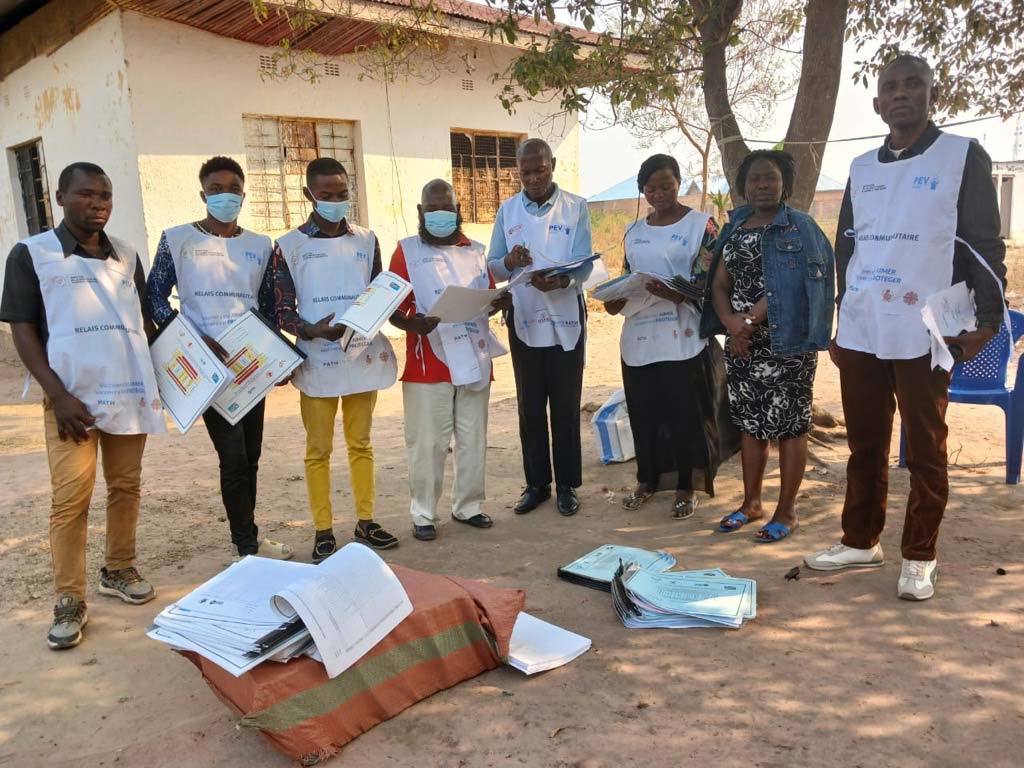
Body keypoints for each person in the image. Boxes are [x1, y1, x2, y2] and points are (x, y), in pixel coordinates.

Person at [804, 55, 1008, 600]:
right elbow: (847, 247)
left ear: (930, 95)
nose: (900, 94)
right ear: (877, 104)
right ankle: (859, 539)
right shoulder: (862, 168)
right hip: (865, 325)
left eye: (912, 84)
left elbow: (984, 243)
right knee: (865, 442)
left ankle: (920, 554)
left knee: (925, 446)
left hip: (926, 326)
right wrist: (841, 319)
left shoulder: (961, 157)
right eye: (890, 87)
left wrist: (988, 318)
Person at [1, 162, 165, 650]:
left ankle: (118, 568)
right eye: (87, 195)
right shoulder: (32, 254)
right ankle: (68, 598)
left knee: (126, 487)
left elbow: (143, 324)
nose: (99, 204)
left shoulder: (127, 256)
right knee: (71, 500)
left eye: (106, 196)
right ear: (60, 198)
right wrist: (58, 395)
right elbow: (23, 329)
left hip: (127, 394)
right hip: (71, 402)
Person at [147, 156, 292, 561]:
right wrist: (190, 340)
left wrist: (275, 357)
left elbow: (267, 306)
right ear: (202, 194)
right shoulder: (177, 240)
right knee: (233, 457)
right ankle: (245, 546)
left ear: (243, 194)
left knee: (253, 455)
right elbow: (154, 296)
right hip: (206, 368)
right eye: (215, 189)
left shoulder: (261, 246)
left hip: (249, 367)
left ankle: (248, 536)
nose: (224, 196)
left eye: (232, 189)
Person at [702, 150, 835, 542]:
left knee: (791, 427)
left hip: (787, 344)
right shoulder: (736, 228)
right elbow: (719, 283)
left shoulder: (801, 228)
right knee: (751, 425)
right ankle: (751, 503)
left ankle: (787, 511)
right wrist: (730, 323)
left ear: (784, 185)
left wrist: (747, 322)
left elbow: (801, 285)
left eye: (770, 178)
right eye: (755, 179)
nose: (762, 185)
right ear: (743, 186)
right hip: (743, 345)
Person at [272, 157, 399, 560]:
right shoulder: (289, 246)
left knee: (361, 443)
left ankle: (366, 520)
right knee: (318, 450)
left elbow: (379, 292)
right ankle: (323, 529)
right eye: (326, 195)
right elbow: (281, 309)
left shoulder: (366, 240)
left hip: (360, 355)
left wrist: (381, 318)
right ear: (309, 195)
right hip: (318, 360)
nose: (335, 201)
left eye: (342, 194)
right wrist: (310, 330)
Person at [603, 154, 733, 519]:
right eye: (651, 188)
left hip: (684, 335)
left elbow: (713, 280)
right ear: (642, 190)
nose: (659, 193)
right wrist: (616, 300)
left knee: (686, 414)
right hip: (641, 334)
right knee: (645, 411)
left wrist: (683, 292)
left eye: (666, 185)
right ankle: (647, 480)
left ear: (678, 182)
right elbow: (628, 276)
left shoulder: (701, 225)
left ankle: (685, 487)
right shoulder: (634, 231)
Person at [388, 179, 509, 541]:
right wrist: (412, 324)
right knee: (429, 442)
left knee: (473, 437)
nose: (441, 215)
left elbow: (485, 294)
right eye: (433, 209)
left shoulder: (475, 250)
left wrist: (499, 301)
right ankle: (424, 513)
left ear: (458, 211)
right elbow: (391, 308)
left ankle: (468, 505)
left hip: (474, 354)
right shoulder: (406, 252)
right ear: (420, 213)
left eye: (447, 208)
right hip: (429, 362)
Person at [488, 138, 594, 517]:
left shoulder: (575, 208)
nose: (533, 178)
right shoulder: (508, 210)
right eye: (525, 172)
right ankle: (537, 485)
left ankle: (567, 485)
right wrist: (509, 259)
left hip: (565, 313)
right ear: (518, 171)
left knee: (565, 405)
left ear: (553, 164)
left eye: (540, 169)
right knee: (530, 405)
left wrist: (563, 281)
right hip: (525, 314)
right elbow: (495, 267)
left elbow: (584, 264)